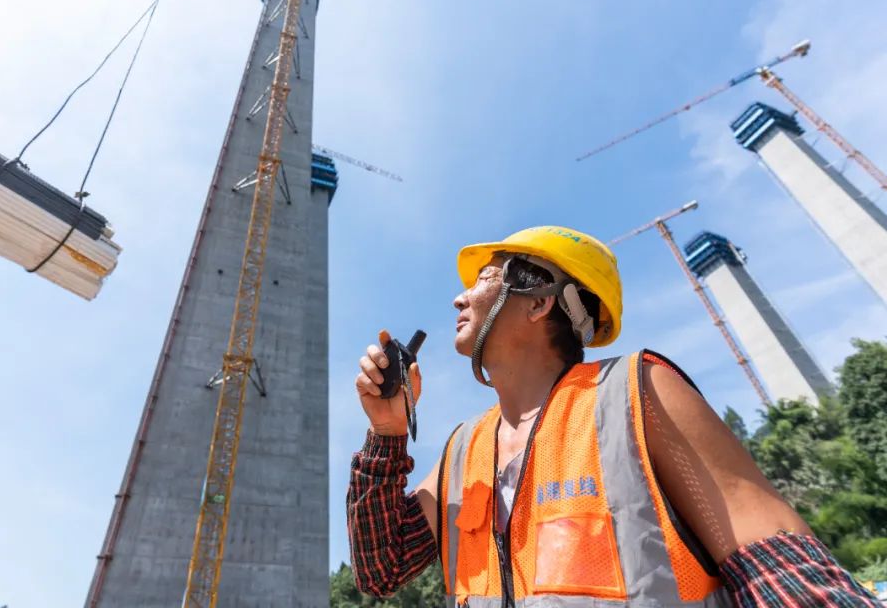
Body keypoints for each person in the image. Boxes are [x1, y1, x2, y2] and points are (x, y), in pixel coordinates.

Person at [347, 226, 879, 607]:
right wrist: (387, 434)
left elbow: (779, 564)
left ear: (538, 303)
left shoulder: (635, 393)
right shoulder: (465, 449)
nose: (459, 298)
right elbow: (380, 568)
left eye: (485, 279)